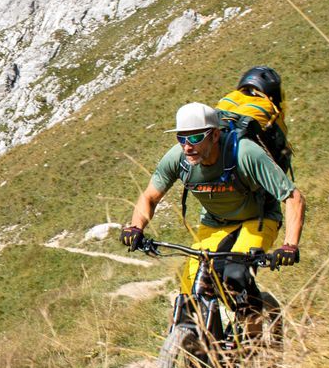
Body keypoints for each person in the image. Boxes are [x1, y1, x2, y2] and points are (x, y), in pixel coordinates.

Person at [121, 101, 304, 298]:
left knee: (235, 279)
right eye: (181, 138)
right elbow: (149, 197)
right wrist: (136, 227)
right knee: (191, 288)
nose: (187, 146)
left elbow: (293, 197)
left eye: (196, 137)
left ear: (215, 135)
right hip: (215, 222)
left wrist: (290, 245)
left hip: (258, 219)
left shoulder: (245, 153)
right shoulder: (178, 159)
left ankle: (253, 318)